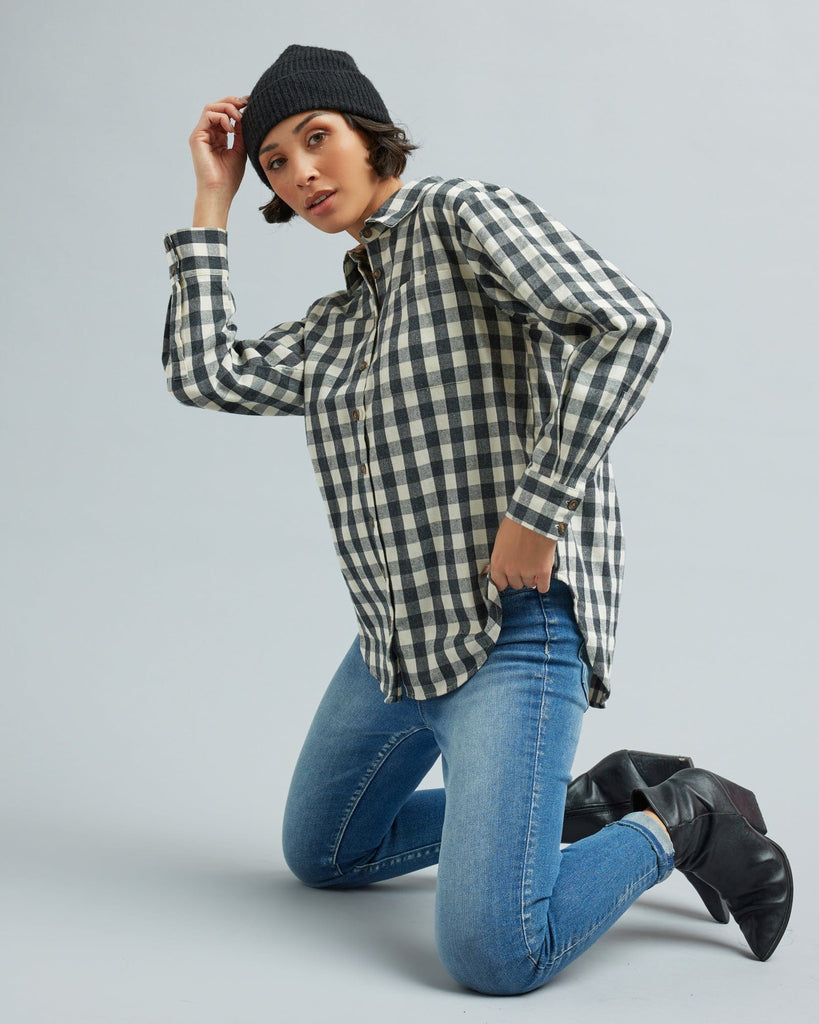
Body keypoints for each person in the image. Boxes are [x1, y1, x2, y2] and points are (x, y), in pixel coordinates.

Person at [162, 44, 792, 994]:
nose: (300, 174)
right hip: (398, 640)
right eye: (274, 164)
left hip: (515, 629)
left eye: (314, 139)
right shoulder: (341, 325)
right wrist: (209, 201)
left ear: (369, 133)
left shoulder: (461, 215)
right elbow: (204, 374)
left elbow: (627, 325)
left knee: (495, 953)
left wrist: (536, 514)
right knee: (326, 852)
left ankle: (681, 820)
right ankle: (576, 802)